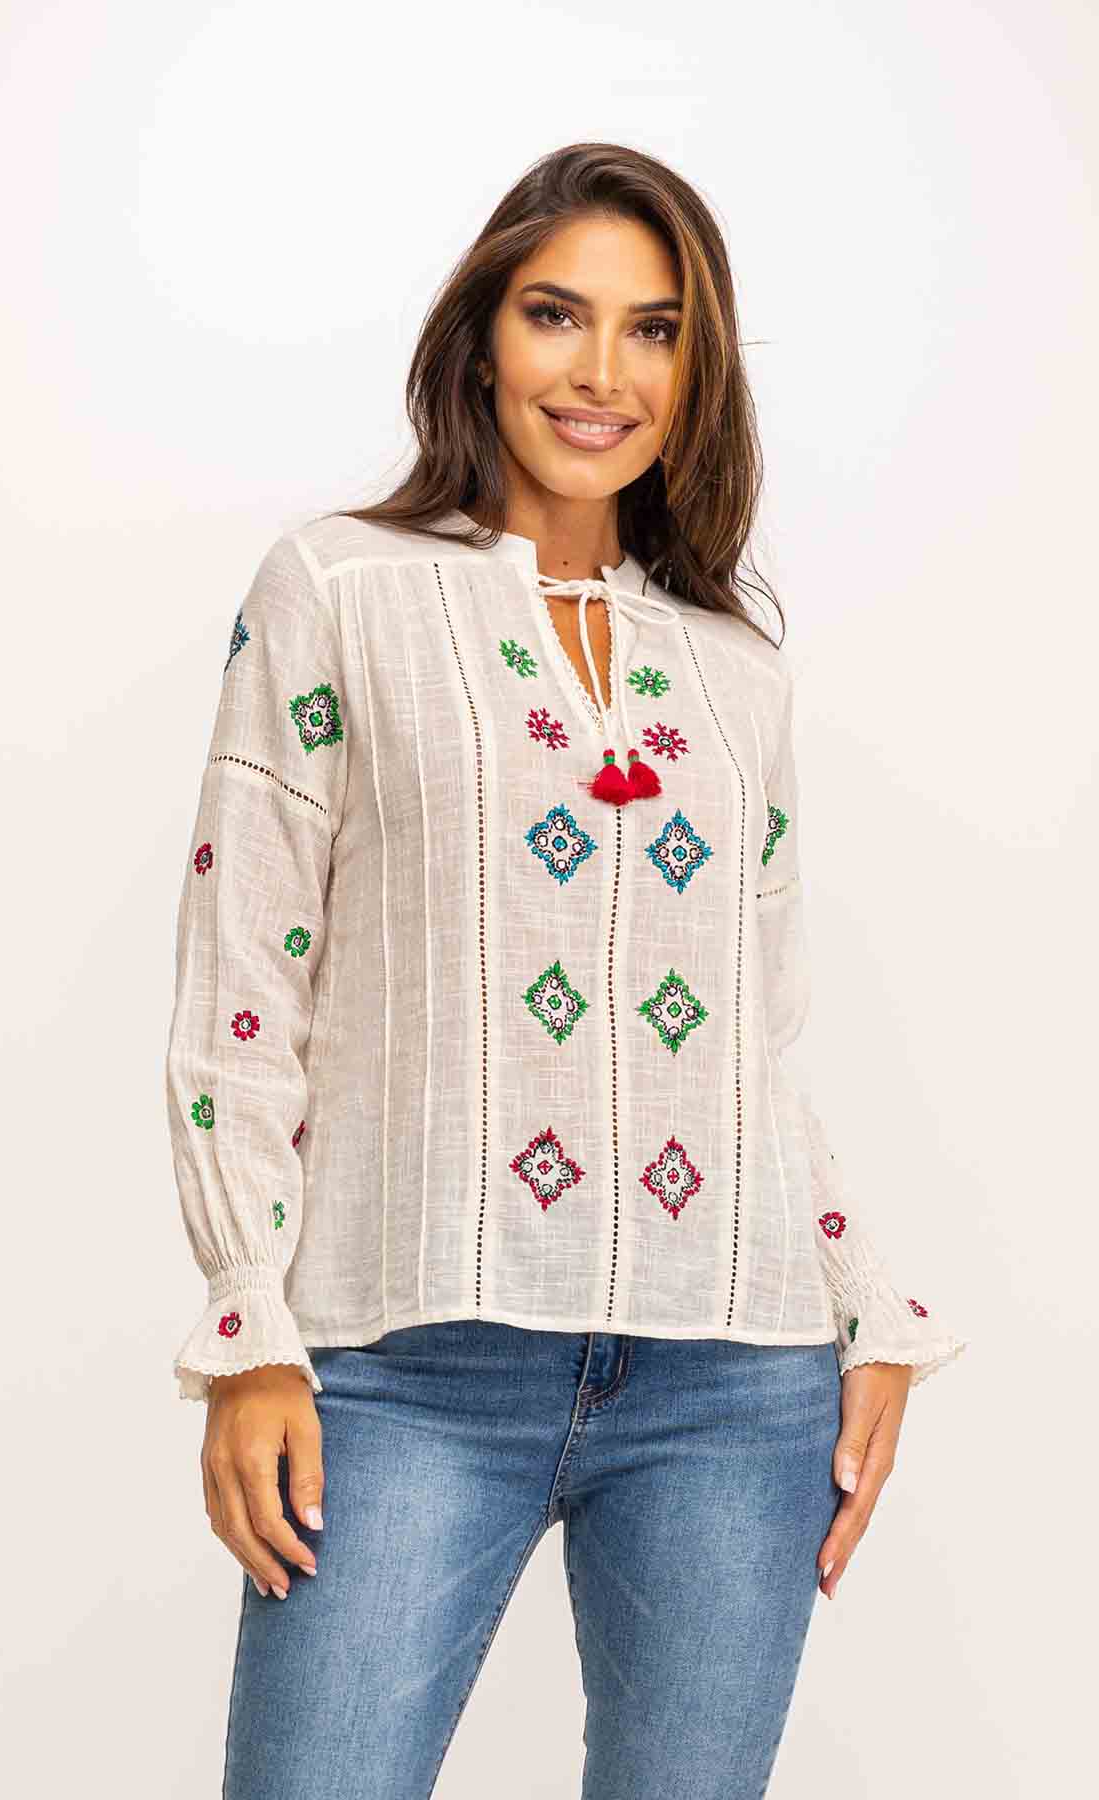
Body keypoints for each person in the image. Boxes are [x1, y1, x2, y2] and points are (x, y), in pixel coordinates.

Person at [164, 142, 968, 1799]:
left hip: (734, 1383)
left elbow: (753, 1042)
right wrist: (250, 1328)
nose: (603, 372)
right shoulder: (339, 590)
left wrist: (866, 1308)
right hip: (407, 1364)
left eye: (653, 330)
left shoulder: (733, 668)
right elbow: (244, 995)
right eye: (557, 315)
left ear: (697, 370)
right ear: (481, 340)